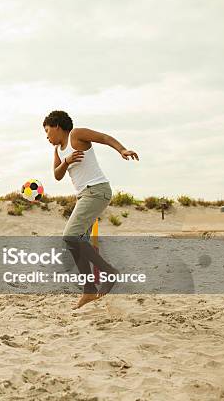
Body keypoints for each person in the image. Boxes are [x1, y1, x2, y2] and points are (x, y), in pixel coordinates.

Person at [43, 110, 139, 309]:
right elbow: (57, 175)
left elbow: (103, 137)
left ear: (57, 126)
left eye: (47, 131)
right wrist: (67, 161)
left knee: (70, 236)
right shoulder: (58, 151)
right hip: (84, 196)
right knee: (75, 243)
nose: (47, 136)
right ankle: (88, 291)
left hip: (97, 190)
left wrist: (122, 150)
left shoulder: (76, 135)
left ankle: (109, 272)